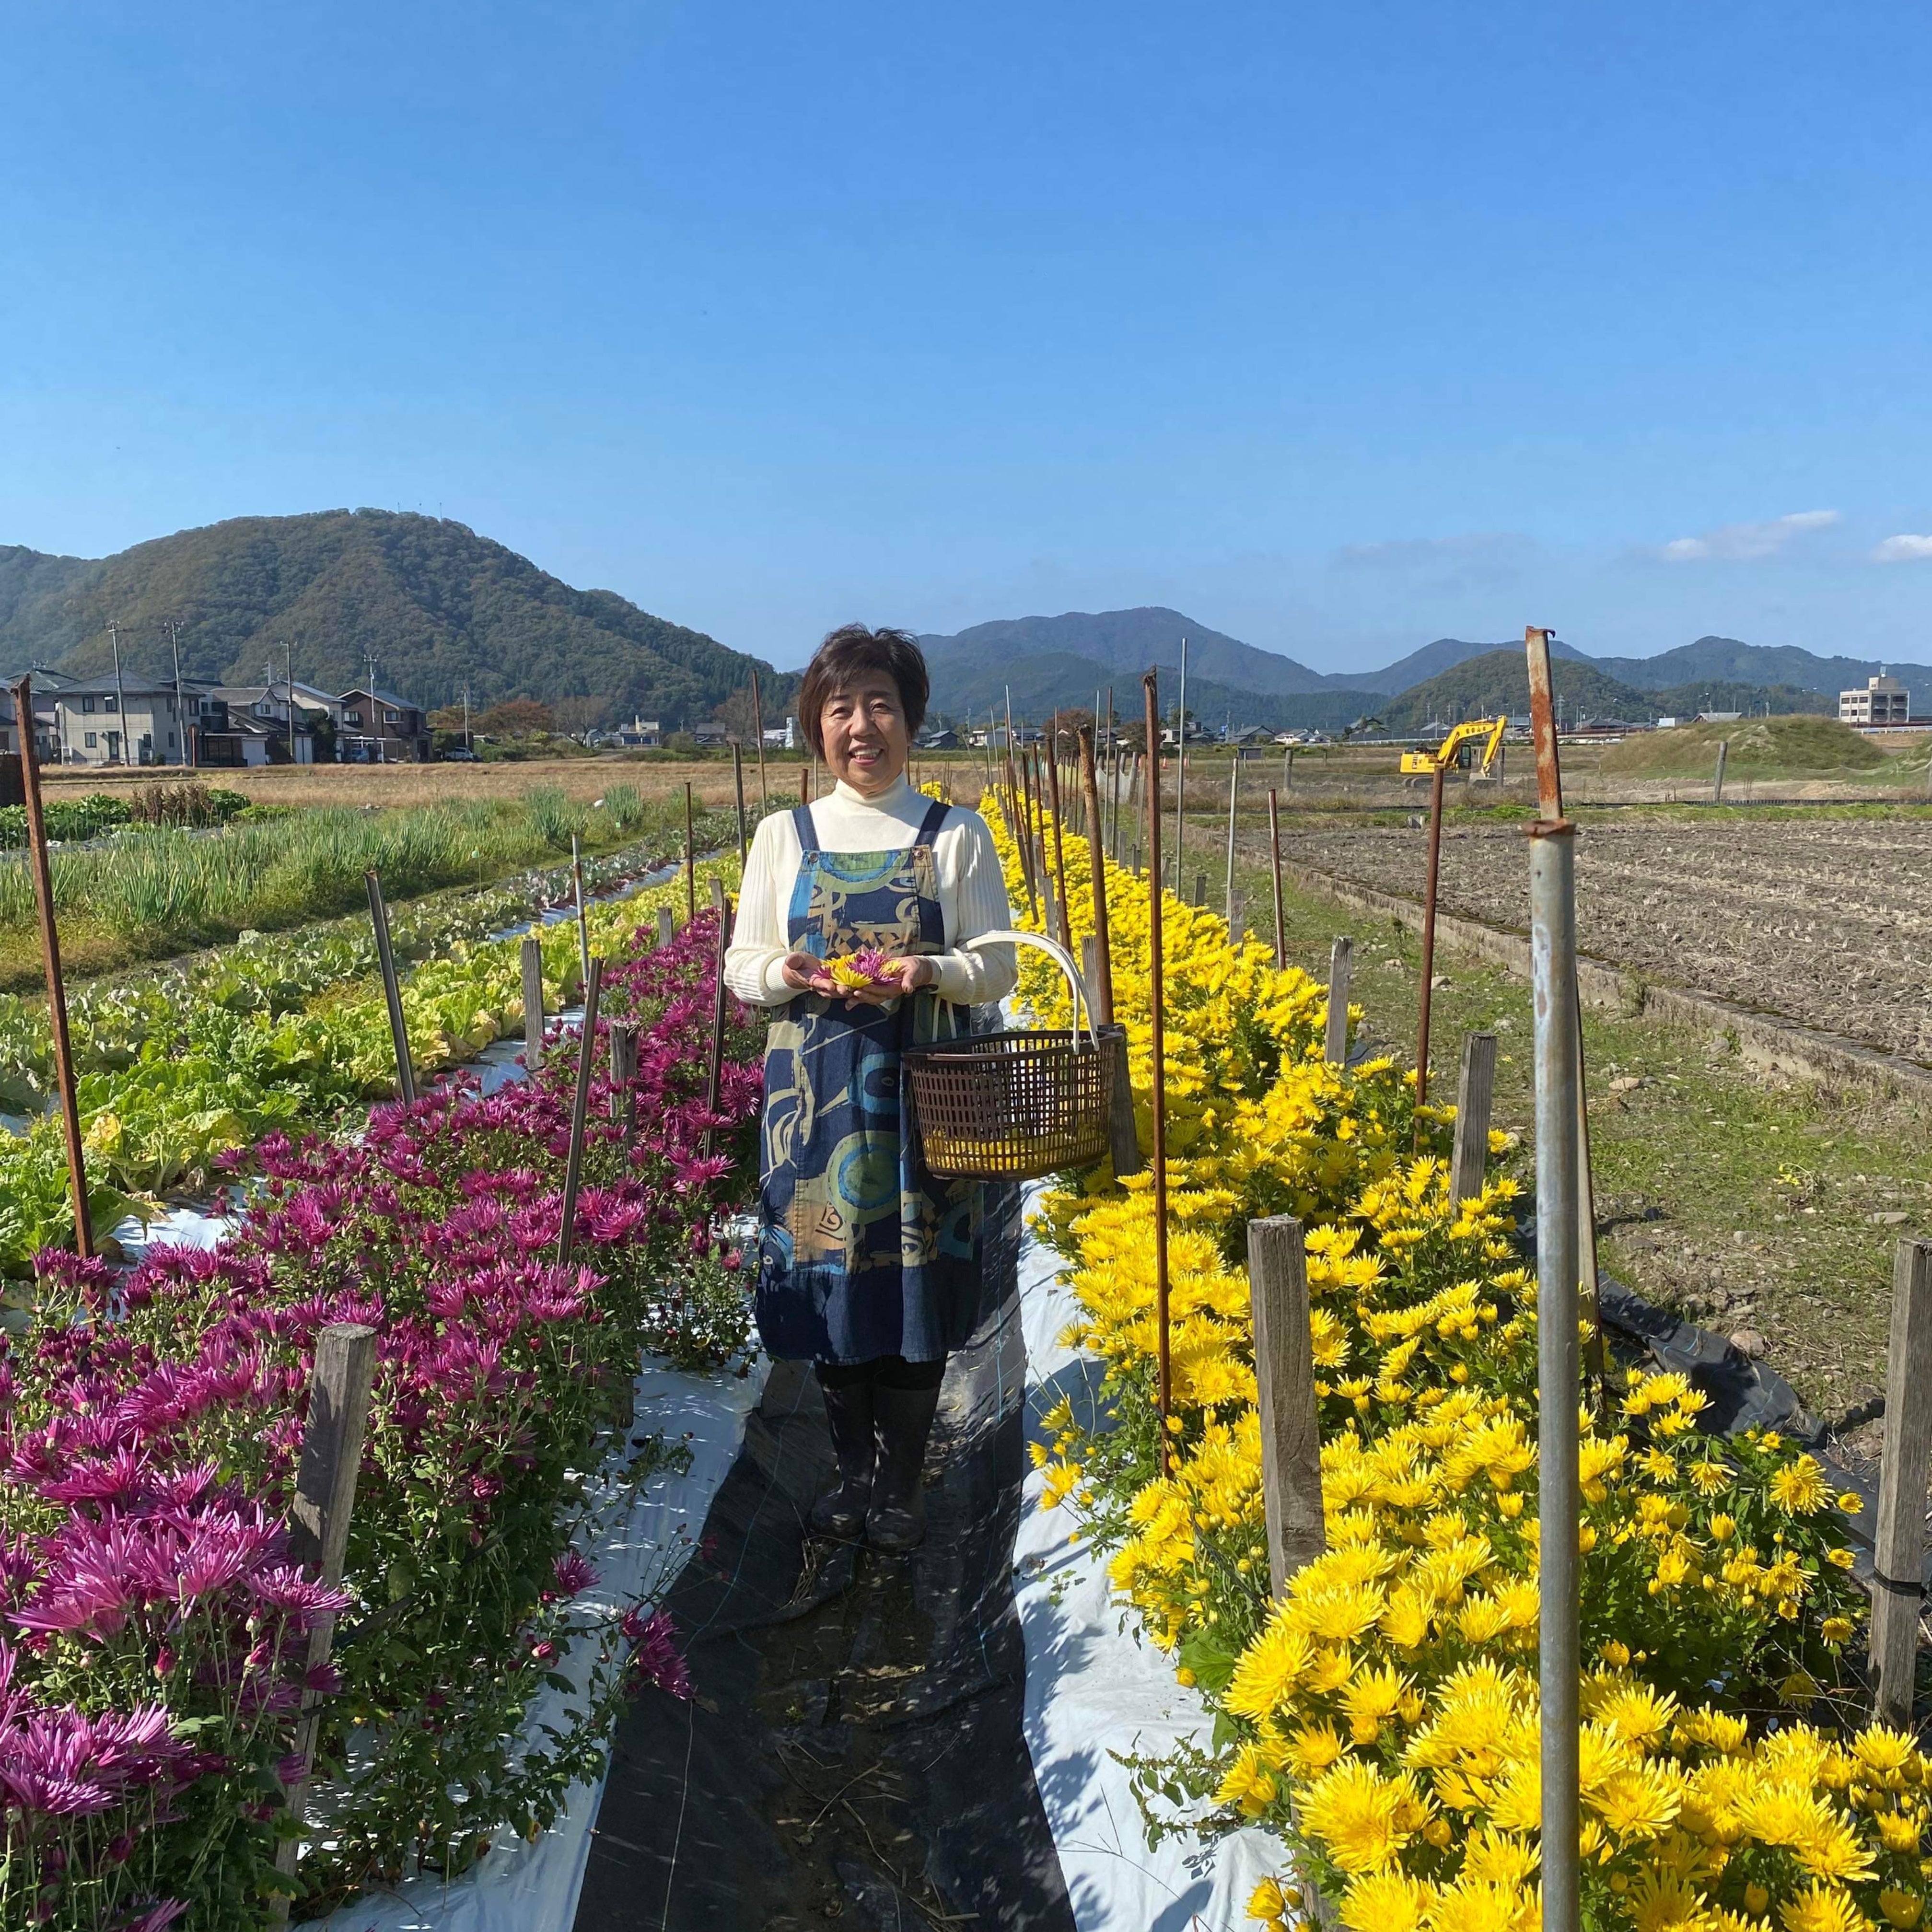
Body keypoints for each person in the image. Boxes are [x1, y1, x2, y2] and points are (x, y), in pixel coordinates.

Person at [725, 625, 1016, 1552]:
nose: (862, 726)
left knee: (917, 1284)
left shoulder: (954, 833)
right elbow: (741, 966)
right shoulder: (785, 835)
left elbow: (997, 967)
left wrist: (930, 972)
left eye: (880, 704)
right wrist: (792, 972)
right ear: (816, 726)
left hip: (925, 1095)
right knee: (830, 1282)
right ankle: (852, 1474)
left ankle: (901, 1485)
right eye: (841, 708)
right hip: (810, 1103)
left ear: (911, 719)